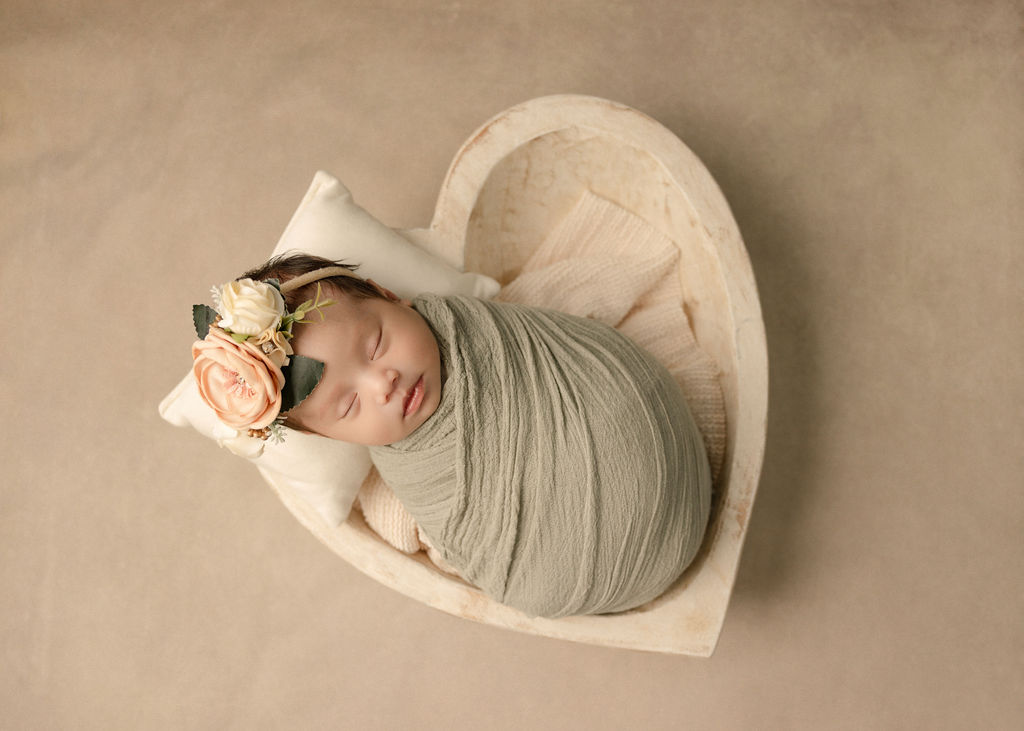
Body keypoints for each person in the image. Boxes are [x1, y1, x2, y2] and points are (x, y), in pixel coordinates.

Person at [192, 253, 711, 618]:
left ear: (390, 297)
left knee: (619, 402)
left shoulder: (474, 331)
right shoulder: (406, 464)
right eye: (349, 405)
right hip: (574, 569)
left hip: (636, 431)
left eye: (375, 344)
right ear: (335, 438)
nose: (383, 383)